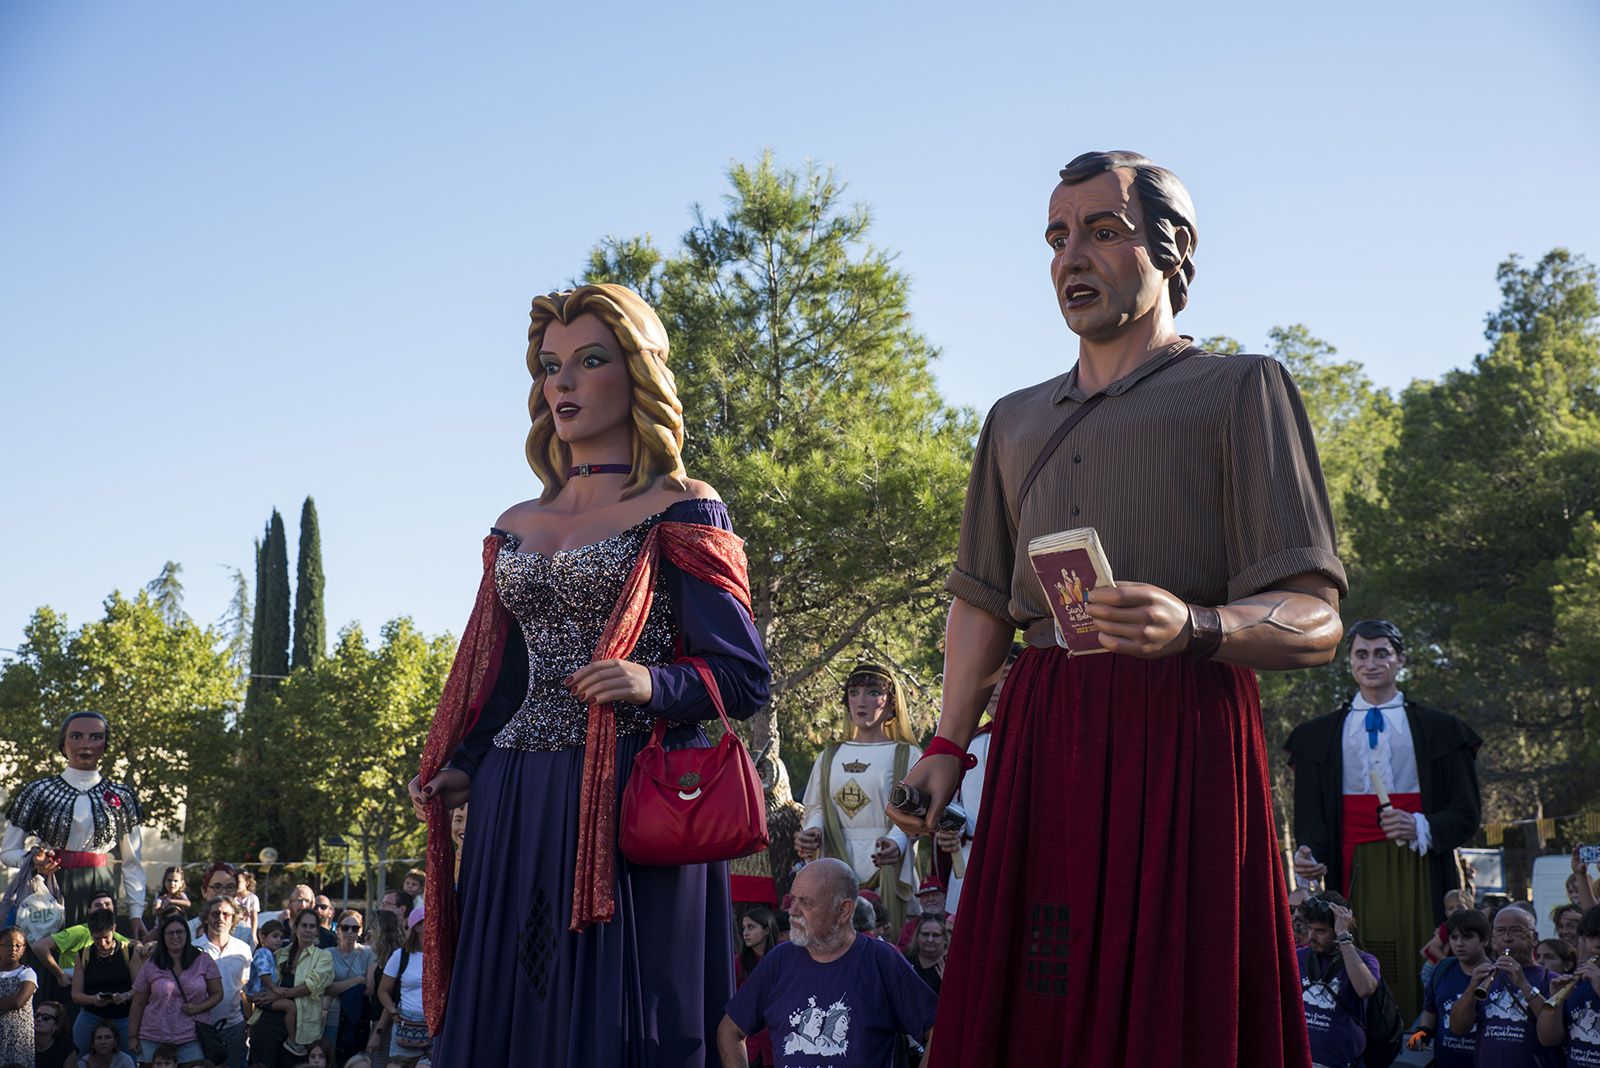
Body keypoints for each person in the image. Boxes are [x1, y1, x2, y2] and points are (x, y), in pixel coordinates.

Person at [888, 150, 1347, 1067]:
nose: (1071, 257)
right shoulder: (1013, 420)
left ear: (1173, 250)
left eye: (1102, 231)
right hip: (1044, 727)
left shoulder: (1240, 388)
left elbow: (1316, 615)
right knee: (1036, 984)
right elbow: (981, 604)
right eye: (1057, 238)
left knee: (1171, 995)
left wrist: (1198, 627)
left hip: (1183, 725)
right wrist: (945, 747)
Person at [409, 283, 772, 1066]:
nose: (563, 383)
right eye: (550, 366)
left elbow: (744, 677)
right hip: (513, 794)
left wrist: (652, 684)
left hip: (628, 797)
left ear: (637, 372)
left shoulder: (684, 507)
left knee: (631, 1008)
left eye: (589, 361)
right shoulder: (514, 524)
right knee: (512, 988)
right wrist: (464, 766)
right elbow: (499, 676)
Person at [1287, 618, 1484, 1024]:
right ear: (1350, 663)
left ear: (1401, 661)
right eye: (1361, 654)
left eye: (1382, 653)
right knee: (1359, 946)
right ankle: (1367, 1035)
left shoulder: (1441, 731)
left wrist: (1420, 825)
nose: (1371, 663)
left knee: (1423, 948)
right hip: (1354, 864)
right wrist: (1308, 851)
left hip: (1419, 865)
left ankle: (1424, 1030)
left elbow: (1466, 813)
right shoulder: (1317, 736)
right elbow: (1311, 819)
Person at [718, 859, 937, 1068]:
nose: (792, 911)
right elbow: (730, 1030)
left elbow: (938, 1030)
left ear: (843, 911)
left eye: (805, 902)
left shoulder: (881, 960)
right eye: (792, 899)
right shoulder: (779, 959)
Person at [797, 663, 923, 939]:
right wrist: (814, 831)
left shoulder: (907, 755)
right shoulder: (829, 756)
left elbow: (916, 812)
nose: (862, 701)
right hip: (836, 859)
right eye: (854, 692)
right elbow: (816, 807)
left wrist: (898, 842)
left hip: (885, 861)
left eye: (873, 692)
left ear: (891, 704)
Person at [1, 712, 148, 932]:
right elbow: (7, 852)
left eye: (95, 737)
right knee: (48, 955)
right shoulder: (38, 793)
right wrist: (33, 861)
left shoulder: (123, 796)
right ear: (63, 743)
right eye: (77, 736)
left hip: (101, 889)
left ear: (105, 744)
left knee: (96, 955)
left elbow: (132, 861)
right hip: (49, 888)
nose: (86, 745)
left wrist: (136, 913)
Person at [1447, 905, 1559, 1067]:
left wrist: (1523, 983)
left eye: (1516, 930)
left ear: (1534, 938)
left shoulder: (1551, 980)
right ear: (1493, 940)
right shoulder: (1485, 976)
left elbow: (1552, 1036)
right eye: (1500, 931)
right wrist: (1471, 989)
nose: (1507, 938)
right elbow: (1458, 1028)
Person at [1294, 893, 1379, 1068]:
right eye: (1309, 928)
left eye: (1320, 931)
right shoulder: (1299, 957)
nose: (1311, 936)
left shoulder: (1364, 960)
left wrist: (1343, 936)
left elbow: (1365, 989)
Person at [127, 913, 221, 1066]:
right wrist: (132, 1037)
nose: (175, 936)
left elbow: (217, 993)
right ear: (163, 937)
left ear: (187, 934)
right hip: (153, 1035)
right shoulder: (152, 964)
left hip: (192, 1036)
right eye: (170, 933)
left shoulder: (204, 960)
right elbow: (138, 1003)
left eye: (180, 932)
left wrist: (199, 1007)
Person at [1413, 906, 1492, 1066]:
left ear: (1485, 939)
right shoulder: (1443, 969)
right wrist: (1422, 1034)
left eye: (1467, 937)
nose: (1459, 943)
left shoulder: (1498, 974)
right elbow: (1430, 1011)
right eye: (1454, 937)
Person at [70, 908, 141, 1053]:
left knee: (128, 1058)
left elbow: (139, 988)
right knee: (83, 1055)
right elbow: (76, 994)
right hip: (92, 1014)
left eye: (106, 937)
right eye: (96, 939)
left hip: (123, 1016)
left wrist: (126, 996)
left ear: (113, 929)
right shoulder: (83, 954)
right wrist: (93, 999)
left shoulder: (129, 951)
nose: (102, 943)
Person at [1537, 904, 1600, 1064]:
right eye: (1592, 936)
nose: (1597, 943)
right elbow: (1548, 1039)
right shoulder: (1580, 982)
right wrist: (1556, 999)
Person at [192, 896, 250, 1068]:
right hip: (202, 1028)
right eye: (215, 913)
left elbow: (244, 990)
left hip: (235, 1026)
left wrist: (249, 1021)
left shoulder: (243, 949)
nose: (221, 918)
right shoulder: (194, 950)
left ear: (234, 919)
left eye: (226, 914)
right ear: (207, 917)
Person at [270, 908, 333, 1056]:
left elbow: (310, 986)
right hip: (274, 1022)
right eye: (304, 925)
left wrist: (278, 995)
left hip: (304, 1030)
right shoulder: (281, 954)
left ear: (317, 930)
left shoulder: (323, 956)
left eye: (312, 926)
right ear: (295, 928)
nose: (308, 930)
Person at [371, 917, 425, 1067]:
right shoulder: (401, 955)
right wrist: (394, 1012)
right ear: (417, 927)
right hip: (405, 1026)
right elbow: (383, 990)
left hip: (432, 1028)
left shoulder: (441, 955)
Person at [323, 910, 371, 1061]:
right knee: (332, 1060)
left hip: (357, 1018)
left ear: (360, 931)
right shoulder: (327, 954)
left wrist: (339, 986)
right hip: (332, 1017)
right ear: (338, 930)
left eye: (355, 928)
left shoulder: (368, 953)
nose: (350, 932)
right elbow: (326, 989)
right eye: (345, 927)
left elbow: (369, 988)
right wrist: (356, 981)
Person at [735, 908, 779, 1068]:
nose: (745, 933)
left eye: (751, 927)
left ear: (767, 929)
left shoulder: (782, 959)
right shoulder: (738, 964)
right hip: (749, 1043)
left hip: (777, 1042)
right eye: (743, 928)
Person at [0, 927, 37, 1066]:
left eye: (18, 945)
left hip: (17, 1039)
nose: (13, 948)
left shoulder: (27, 973)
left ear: (23, 949)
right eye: (8, 944)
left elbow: (18, 1002)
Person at [896, 882, 947, 953]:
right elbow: (902, 951)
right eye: (926, 896)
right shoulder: (909, 927)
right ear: (920, 901)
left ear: (944, 897)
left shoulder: (955, 922)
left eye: (935, 895)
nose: (931, 899)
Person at [906, 916, 949, 996]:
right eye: (925, 934)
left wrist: (949, 983)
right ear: (917, 937)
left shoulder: (951, 964)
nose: (930, 940)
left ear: (945, 939)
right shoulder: (906, 960)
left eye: (936, 935)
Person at [34, 999, 77, 1068]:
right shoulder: (23, 1043)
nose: (39, 1019)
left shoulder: (66, 1049)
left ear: (56, 1025)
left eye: (45, 1017)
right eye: (36, 1015)